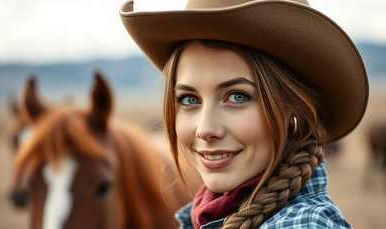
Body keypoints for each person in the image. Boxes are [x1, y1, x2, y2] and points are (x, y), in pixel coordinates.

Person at [119, 0, 369, 228]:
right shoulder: (205, 216)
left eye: (238, 96)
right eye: (189, 99)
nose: (205, 129)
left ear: (295, 106)